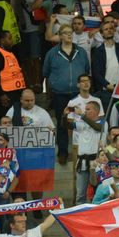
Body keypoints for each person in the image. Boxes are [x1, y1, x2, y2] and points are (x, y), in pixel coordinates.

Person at [43, 23, 90, 165]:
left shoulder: (81, 52)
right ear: (60, 35)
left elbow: (86, 69)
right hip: (60, 94)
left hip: (78, 93)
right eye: (66, 32)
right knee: (63, 122)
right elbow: (45, 72)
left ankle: (83, 151)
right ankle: (62, 152)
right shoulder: (52, 53)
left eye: (71, 32)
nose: (69, 35)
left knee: (81, 122)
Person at [0, 31, 26, 116]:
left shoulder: (10, 53)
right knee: (7, 121)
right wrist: (1, 94)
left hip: (15, 92)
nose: (12, 40)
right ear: (2, 41)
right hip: (6, 94)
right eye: (9, 38)